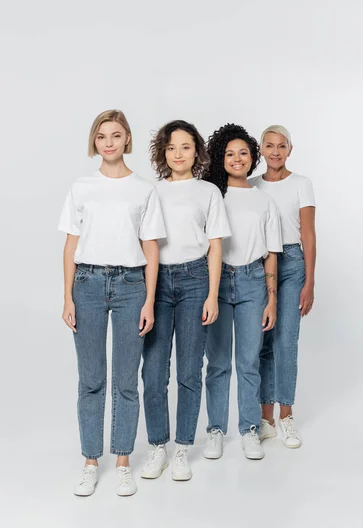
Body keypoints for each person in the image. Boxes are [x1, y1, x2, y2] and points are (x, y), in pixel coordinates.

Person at [59, 109, 166, 496]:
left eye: (116, 135)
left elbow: (150, 247)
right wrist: (67, 296)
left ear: (127, 140)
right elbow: (71, 244)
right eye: (102, 135)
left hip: (130, 285)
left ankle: (122, 461)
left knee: (125, 380)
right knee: (91, 379)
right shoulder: (81, 187)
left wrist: (149, 300)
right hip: (86, 283)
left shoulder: (143, 189)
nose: (108, 142)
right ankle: (91, 461)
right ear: (94, 141)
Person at [141, 120, 231, 481]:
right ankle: (158, 446)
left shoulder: (208, 192)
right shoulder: (152, 193)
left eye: (186, 147)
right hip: (158, 281)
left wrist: (212, 294)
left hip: (196, 282)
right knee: (153, 371)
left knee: (190, 370)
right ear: (163, 153)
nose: (179, 154)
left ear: (197, 152)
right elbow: (145, 244)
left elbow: (216, 246)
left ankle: (181, 447)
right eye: (172, 148)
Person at [202, 123, 282, 460]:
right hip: (216, 284)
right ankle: (216, 430)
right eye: (229, 154)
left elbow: (272, 253)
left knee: (249, 361)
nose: (237, 159)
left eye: (243, 153)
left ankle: (249, 428)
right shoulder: (211, 195)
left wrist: (272, 299)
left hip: (252, 282)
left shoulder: (264, 201)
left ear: (253, 157)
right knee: (218, 363)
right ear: (221, 158)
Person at [250, 124, 316, 448]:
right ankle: (266, 419)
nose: (275, 151)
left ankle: (287, 415)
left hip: (291, 264)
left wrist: (310, 281)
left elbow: (308, 234)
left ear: (290, 150)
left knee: (286, 340)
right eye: (269, 145)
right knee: (263, 341)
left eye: (281, 146)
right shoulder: (251, 186)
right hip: (258, 264)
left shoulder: (302, 184)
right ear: (261, 150)